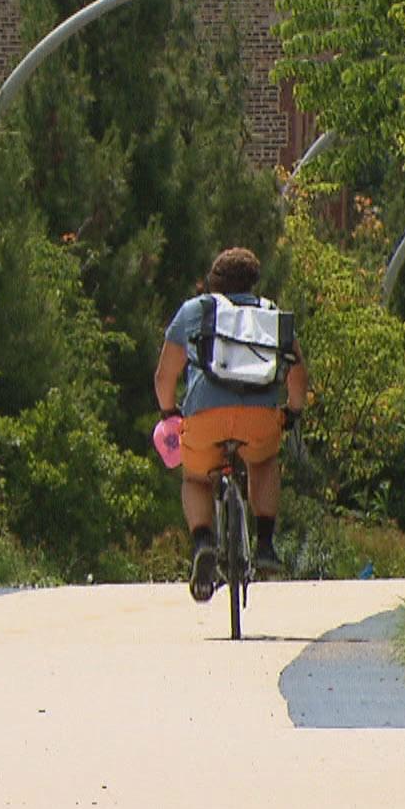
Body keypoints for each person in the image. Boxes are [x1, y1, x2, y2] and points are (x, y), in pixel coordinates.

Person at [153, 247, 308, 601]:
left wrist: (168, 413)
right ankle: (266, 543)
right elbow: (298, 377)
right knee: (265, 461)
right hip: (259, 416)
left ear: (213, 281)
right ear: (254, 282)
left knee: (195, 477)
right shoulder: (271, 313)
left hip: (204, 417)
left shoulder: (197, 310)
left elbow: (165, 375)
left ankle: (203, 542)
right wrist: (292, 413)